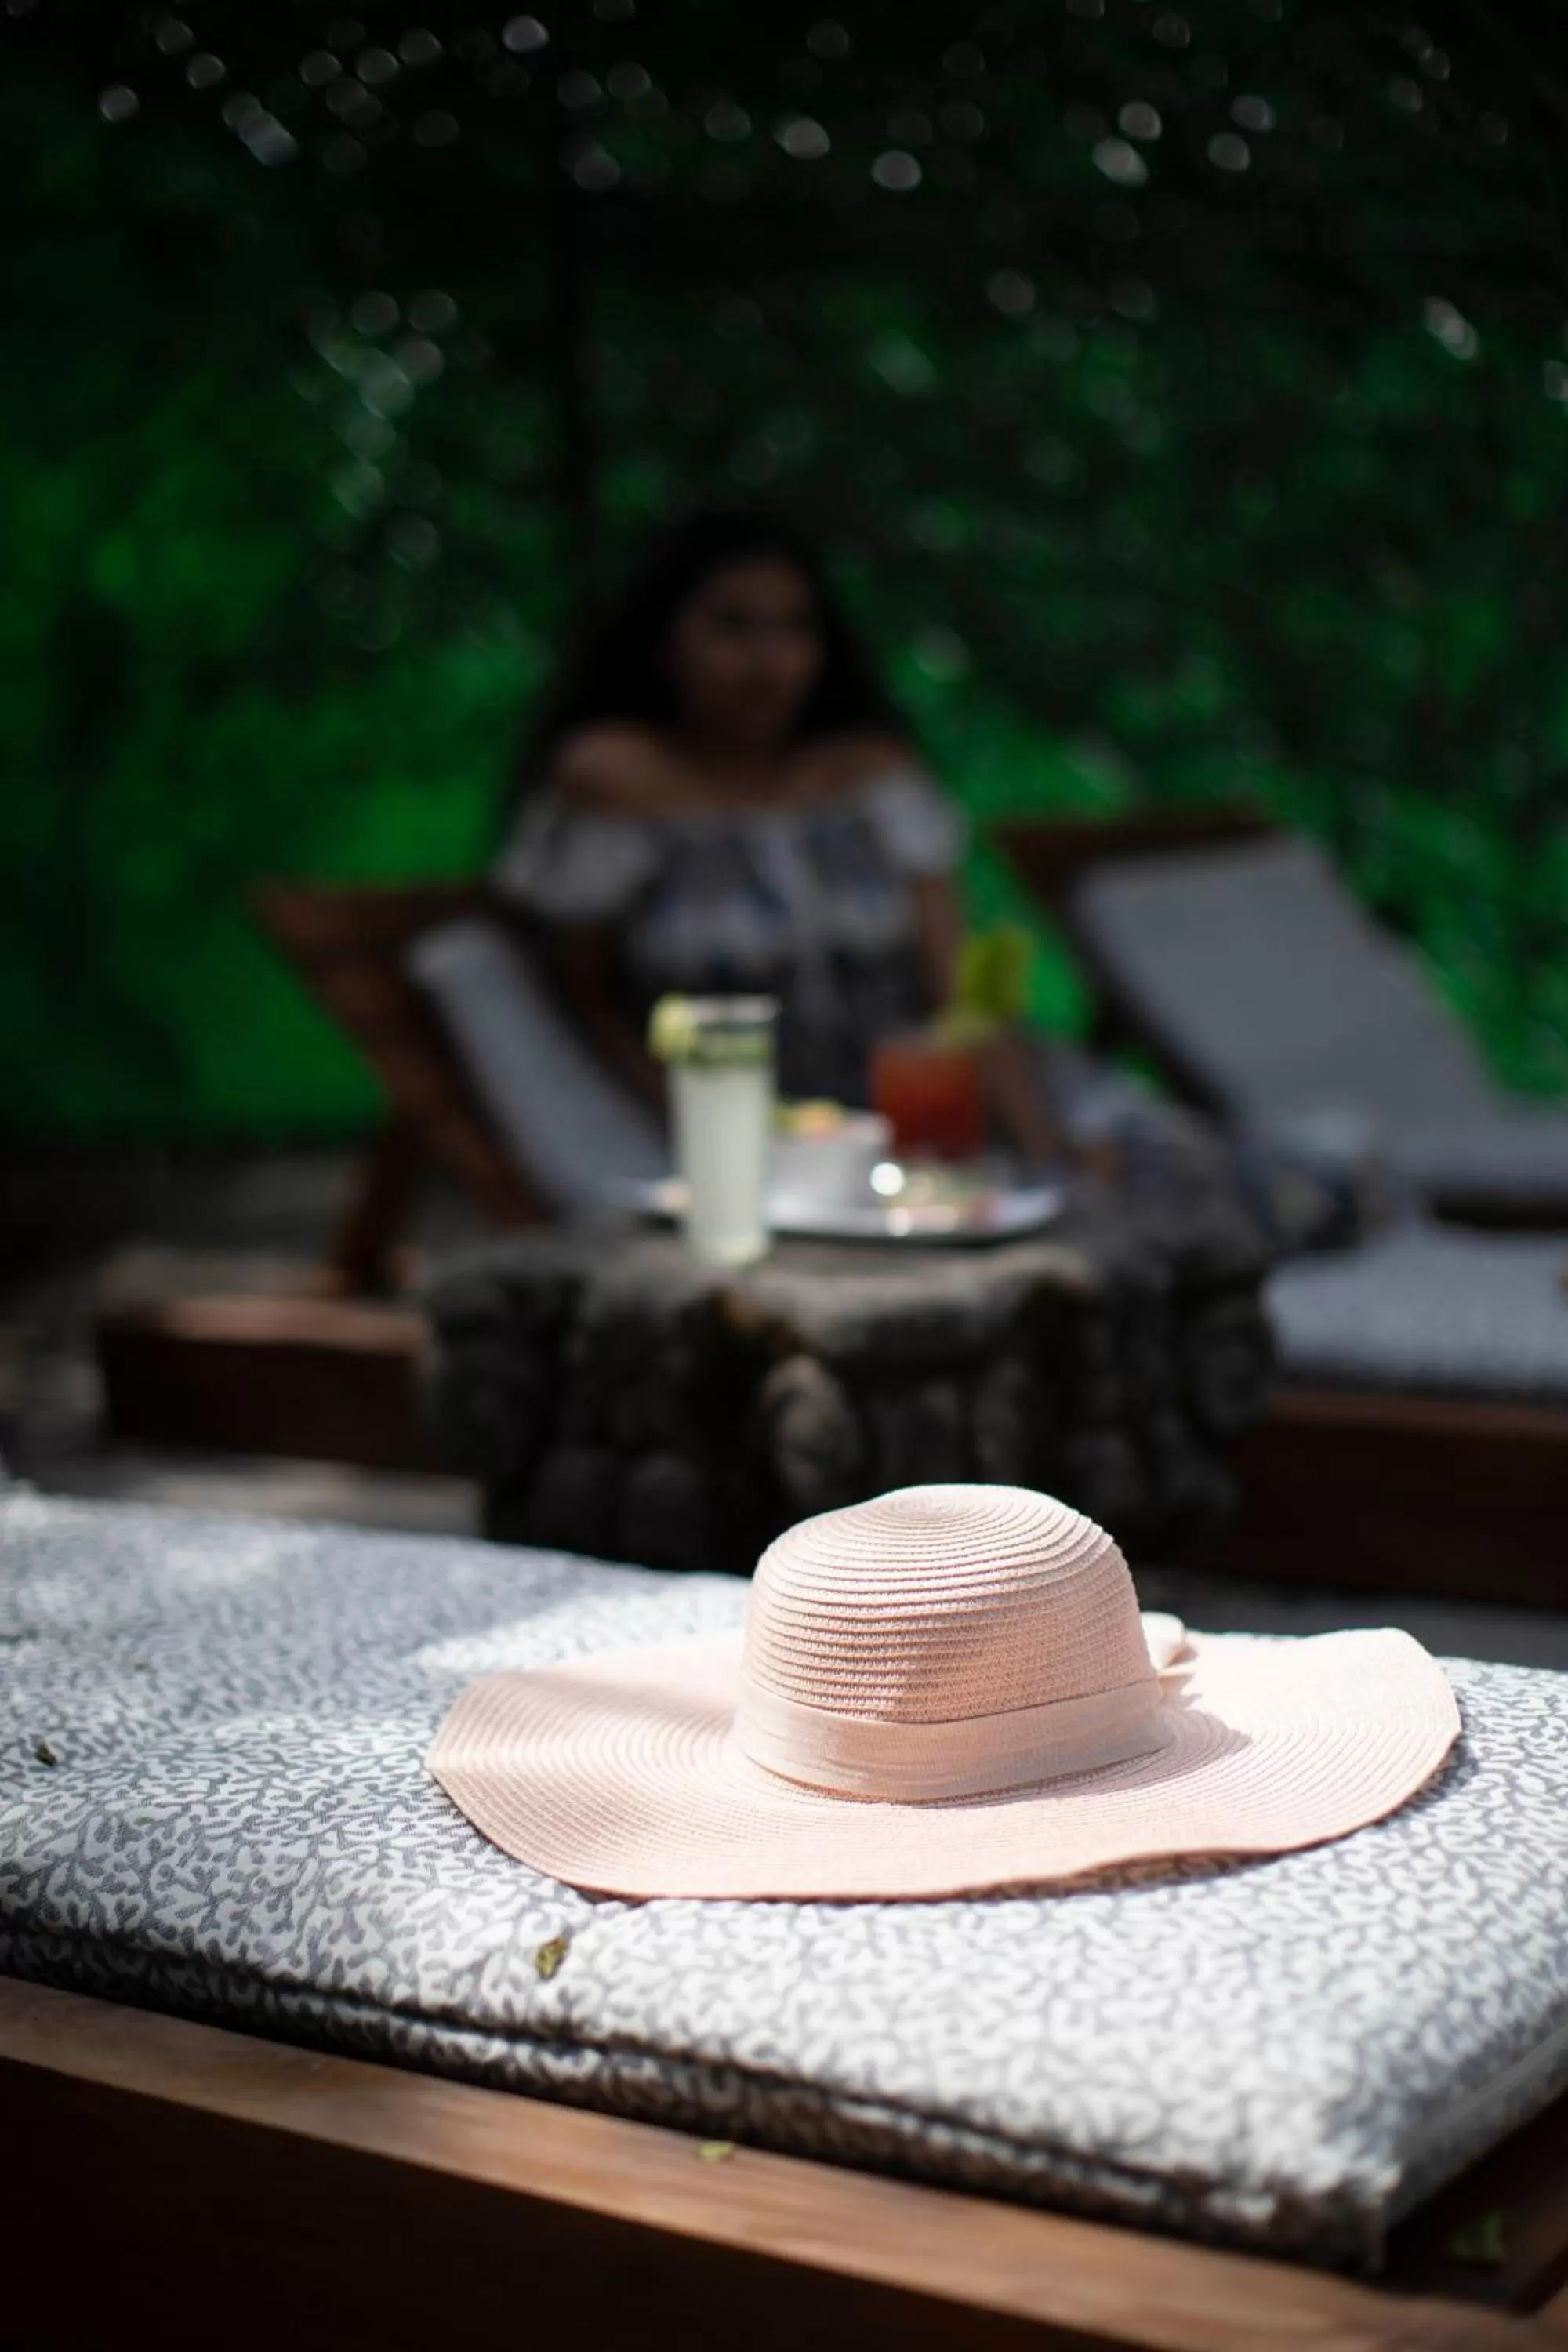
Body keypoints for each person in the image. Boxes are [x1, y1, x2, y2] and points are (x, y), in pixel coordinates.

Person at [494, 508, 1071, 1169]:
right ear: (661, 638)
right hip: (733, 1147)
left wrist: (1043, 1146)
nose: (768, 662)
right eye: (731, 626)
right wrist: (720, 1145)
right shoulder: (615, 779)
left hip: (920, 1129)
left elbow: (961, 984)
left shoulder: (871, 774)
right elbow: (579, 1003)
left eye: (795, 628)